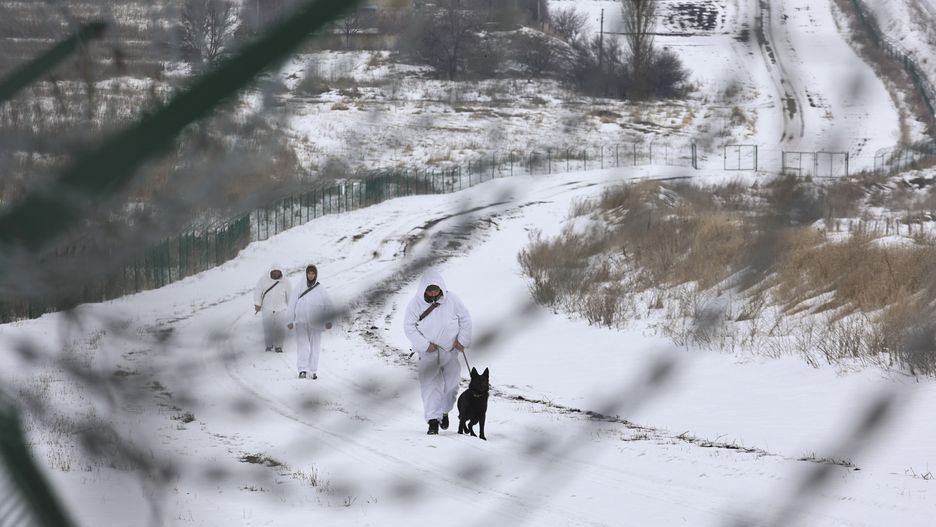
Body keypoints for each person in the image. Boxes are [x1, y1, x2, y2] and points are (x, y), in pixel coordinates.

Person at [404, 269, 472, 435]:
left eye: (436, 288)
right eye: (430, 288)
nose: (433, 291)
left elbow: (465, 318)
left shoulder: (452, 300)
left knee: (452, 384)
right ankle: (433, 421)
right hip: (428, 352)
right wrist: (425, 345)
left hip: (450, 350)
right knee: (430, 385)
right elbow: (409, 327)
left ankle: (444, 411)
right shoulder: (414, 305)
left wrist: (462, 340)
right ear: (424, 289)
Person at [288, 264, 334, 380]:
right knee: (303, 346)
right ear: (306, 274)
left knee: (315, 347)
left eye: (313, 273)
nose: (311, 275)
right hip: (301, 321)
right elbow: (292, 304)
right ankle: (302, 369)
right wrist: (290, 320)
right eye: (309, 273)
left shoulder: (320, 289)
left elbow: (328, 304)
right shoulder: (299, 287)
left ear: (316, 274)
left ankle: (313, 370)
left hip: (316, 323)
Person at [253, 264, 290, 353]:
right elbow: (257, 292)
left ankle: (279, 346)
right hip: (267, 308)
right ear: (271, 271)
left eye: (278, 271)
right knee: (267, 327)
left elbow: (290, 295)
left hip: (281, 308)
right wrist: (257, 304)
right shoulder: (263, 280)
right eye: (274, 271)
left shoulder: (285, 282)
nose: (276, 273)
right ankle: (269, 344)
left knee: (280, 327)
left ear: (280, 272)